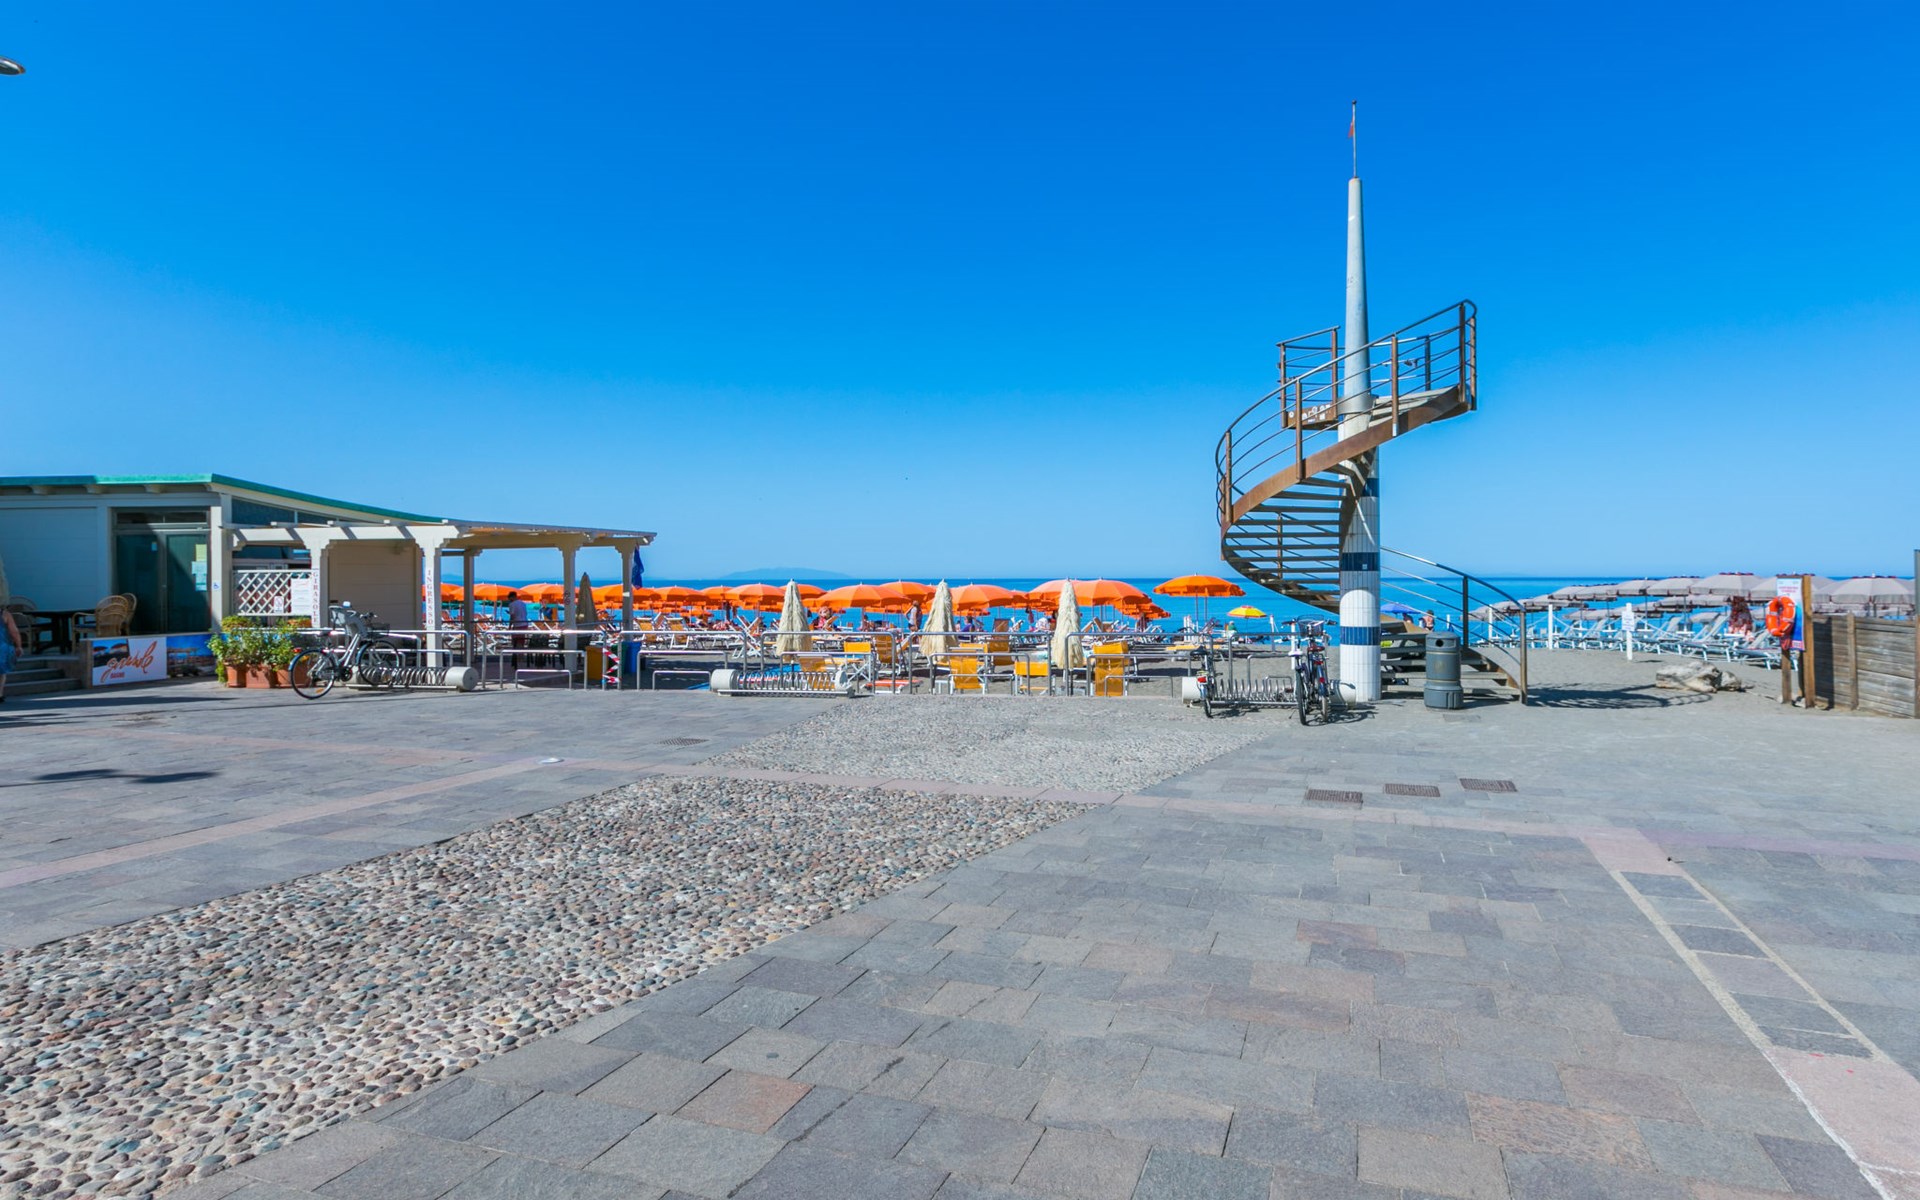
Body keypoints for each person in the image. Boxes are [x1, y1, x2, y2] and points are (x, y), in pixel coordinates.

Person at [0, 608, 19, 703]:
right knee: (2, 672)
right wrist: (18, 645)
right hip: (2, 646)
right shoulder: (4, 614)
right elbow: (14, 631)